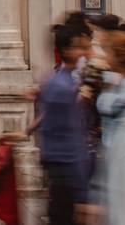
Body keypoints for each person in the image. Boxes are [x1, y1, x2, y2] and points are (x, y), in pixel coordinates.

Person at [36, 24, 91, 225]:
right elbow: (71, 140)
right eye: (79, 47)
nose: (84, 52)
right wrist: (82, 193)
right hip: (67, 173)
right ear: (65, 50)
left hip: (59, 171)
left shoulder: (56, 81)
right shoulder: (64, 87)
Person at [96, 27, 125, 225]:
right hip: (118, 151)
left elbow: (109, 104)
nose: (104, 56)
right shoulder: (116, 81)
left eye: (107, 51)